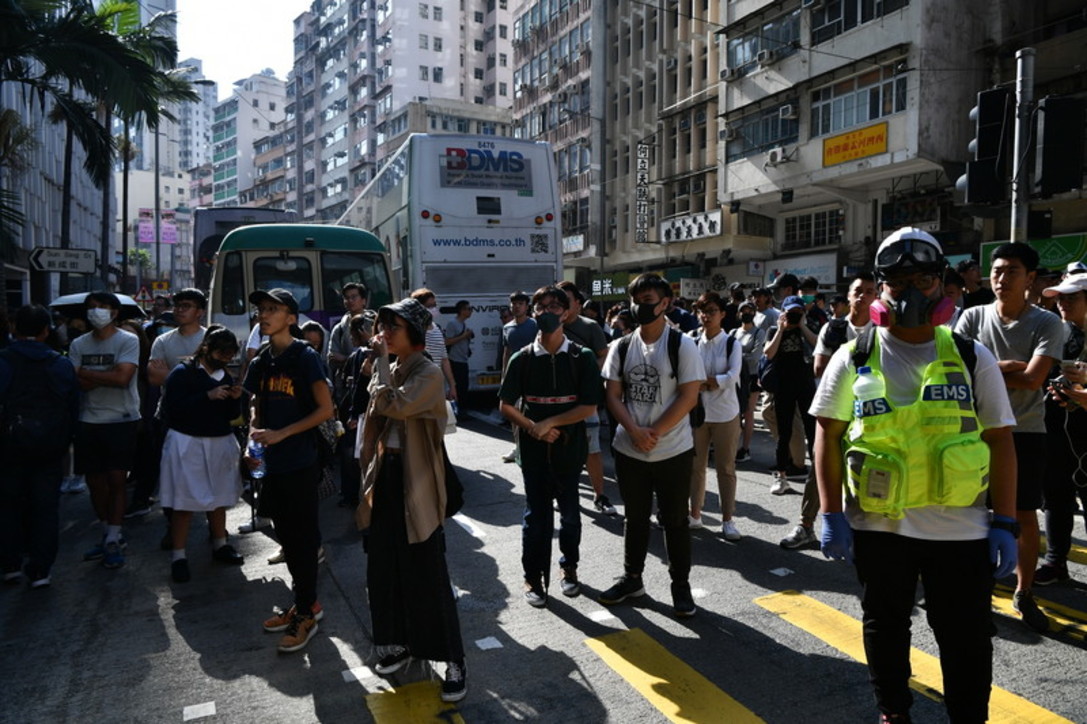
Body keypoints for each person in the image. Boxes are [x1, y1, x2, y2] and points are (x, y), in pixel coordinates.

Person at [815, 227, 1017, 724]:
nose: (911, 292)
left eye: (923, 280)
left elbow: (1001, 442)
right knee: (884, 628)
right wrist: (829, 512)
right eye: (897, 281)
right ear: (880, 287)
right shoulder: (854, 354)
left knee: (966, 636)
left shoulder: (971, 355)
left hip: (961, 529)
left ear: (942, 284)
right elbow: (828, 435)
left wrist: (1006, 522)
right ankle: (894, 714)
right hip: (881, 528)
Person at [357, 297, 467, 703]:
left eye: (394, 328)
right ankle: (398, 644)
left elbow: (394, 405)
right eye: (381, 326)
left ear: (416, 335)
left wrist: (381, 364)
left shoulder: (428, 371)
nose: (384, 334)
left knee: (428, 573)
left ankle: (454, 659)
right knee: (384, 567)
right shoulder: (397, 365)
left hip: (418, 480)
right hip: (387, 475)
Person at [955, 242, 1067, 632]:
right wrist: (1005, 367)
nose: (1001, 278)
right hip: (973, 430)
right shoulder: (971, 318)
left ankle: (1024, 590)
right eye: (997, 270)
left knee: (1022, 513)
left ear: (1031, 278)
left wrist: (984, 368)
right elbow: (956, 374)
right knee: (972, 511)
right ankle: (977, 588)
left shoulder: (1047, 323)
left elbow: (1035, 378)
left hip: (1025, 432)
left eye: (1011, 271)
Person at [599, 273, 702, 617]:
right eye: (636, 300)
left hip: (673, 449)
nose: (640, 306)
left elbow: (689, 396)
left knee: (675, 520)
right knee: (635, 518)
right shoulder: (622, 346)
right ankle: (632, 578)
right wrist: (634, 431)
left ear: (665, 304)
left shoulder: (682, 345)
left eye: (648, 300)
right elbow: (612, 394)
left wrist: (652, 432)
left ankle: (680, 585)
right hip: (629, 449)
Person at [243, 288, 334, 654]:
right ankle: (303, 604)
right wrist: (252, 435)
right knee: (285, 537)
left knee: (302, 540)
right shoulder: (262, 361)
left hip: (299, 461)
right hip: (272, 464)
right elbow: (254, 403)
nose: (263, 315)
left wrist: (281, 434)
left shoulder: (305, 357)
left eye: (273, 309)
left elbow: (325, 409)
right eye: (261, 309)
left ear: (291, 319)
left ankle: (308, 611)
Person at [498, 285, 601, 607]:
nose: (549, 312)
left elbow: (589, 406)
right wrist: (534, 428)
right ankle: (533, 577)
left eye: (556, 306)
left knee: (570, 515)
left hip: (569, 450)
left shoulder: (580, 357)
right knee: (536, 517)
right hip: (532, 449)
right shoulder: (523, 358)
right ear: (533, 312)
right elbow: (506, 404)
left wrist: (551, 423)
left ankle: (568, 569)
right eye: (541, 307)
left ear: (568, 312)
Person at [781, 274, 877, 550]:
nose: (863, 296)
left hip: (873, 414)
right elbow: (820, 368)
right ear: (848, 296)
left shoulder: (884, 330)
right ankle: (806, 525)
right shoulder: (833, 328)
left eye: (870, 291)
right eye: (858, 290)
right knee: (821, 467)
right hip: (835, 411)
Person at [0, 305, 79, 587]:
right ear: (46, 331)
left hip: (9, 445)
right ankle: (40, 569)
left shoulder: (4, 361)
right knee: (45, 507)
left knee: (8, 504)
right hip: (50, 446)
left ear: (14, 328)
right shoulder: (60, 363)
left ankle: (10, 564)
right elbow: (73, 406)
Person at [158, 326, 245, 583]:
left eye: (229, 355)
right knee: (184, 501)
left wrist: (233, 398)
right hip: (188, 442)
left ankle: (220, 543)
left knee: (218, 497)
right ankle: (179, 555)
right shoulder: (183, 373)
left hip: (218, 441)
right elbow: (173, 409)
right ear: (207, 348)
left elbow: (230, 415)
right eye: (221, 353)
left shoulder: (225, 375)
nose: (225, 359)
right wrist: (206, 396)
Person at [69, 292, 141, 569]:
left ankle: (114, 535)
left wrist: (88, 373)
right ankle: (106, 529)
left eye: (102, 307)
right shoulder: (78, 343)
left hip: (121, 419)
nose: (96, 312)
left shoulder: (127, 340)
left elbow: (123, 378)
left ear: (114, 312)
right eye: (91, 308)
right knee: (94, 482)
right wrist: (107, 375)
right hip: (88, 420)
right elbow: (77, 382)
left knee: (117, 480)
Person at [1036, 274, 1087, 585]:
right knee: (1056, 496)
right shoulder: (1057, 330)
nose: (1063, 304)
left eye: (1071, 298)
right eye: (1060, 299)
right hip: (1058, 427)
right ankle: (1056, 563)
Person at [557, 281, 617, 516]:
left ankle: (599, 495)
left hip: (584, 400)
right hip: (557, 401)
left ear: (578, 305)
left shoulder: (591, 327)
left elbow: (604, 356)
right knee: (558, 446)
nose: (561, 306)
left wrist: (588, 376)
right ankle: (560, 493)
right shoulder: (549, 326)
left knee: (592, 447)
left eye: (566, 302)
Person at [689, 292, 743, 539]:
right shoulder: (690, 341)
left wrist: (706, 382)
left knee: (726, 468)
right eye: (702, 311)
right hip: (697, 413)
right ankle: (695, 515)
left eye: (711, 311)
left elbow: (731, 377)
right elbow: (686, 376)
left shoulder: (732, 343)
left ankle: (728, 519)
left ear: (722, 314)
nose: (706, 316)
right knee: (695, 467)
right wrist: (707, 383)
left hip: (726, 414)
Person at [763, 295, 817, 495]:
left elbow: (819, 345)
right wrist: (780, 329)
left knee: (812, 430)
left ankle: (816, 475)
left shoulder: (807, 326)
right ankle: (782, 476)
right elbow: (768, 353)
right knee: (784, 433)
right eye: (791, 312)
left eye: (798, 312)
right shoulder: (774, 330)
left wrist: (802, 326)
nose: (794, 316)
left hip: (805, 384)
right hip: (784, 385)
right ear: (783, 312)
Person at [336, 314, 374, 508]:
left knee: (353, 456)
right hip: (365, 413)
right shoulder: (359, 356)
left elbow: (349, 388)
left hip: (361, 414)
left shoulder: (367, 355)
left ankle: (353, 495)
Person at [499, 291, 539, 463]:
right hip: (515, 377)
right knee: (514, 414)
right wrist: (504, 376)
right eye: (513, 304)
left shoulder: (535, 325)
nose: (516, 307)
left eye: (520, 304)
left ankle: (535, 447)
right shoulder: (507, 327)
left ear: (526, 306)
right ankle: (518, 447)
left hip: (534, 376)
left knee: (533, 413)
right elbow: (506, 352)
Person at [730, 301, 765, 464]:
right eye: (743, 311)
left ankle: (745, 448)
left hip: (751, 377)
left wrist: (737, 358)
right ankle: (733, 446)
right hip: (735, 376)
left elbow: (755, 357)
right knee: (735, 413)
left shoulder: (759, 332)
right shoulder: (733, 332)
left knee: (749, 412)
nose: (746, 313)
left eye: (750, 311)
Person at [410, 288, 459, 403]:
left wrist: (452, 385)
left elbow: (444, 359)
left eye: (434, 305)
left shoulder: (436, 328)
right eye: (429, 306)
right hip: (419, 385)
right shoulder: (415, 329)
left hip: (436, 386)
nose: (433, 309)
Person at [327, 282, 369, 376]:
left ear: (363, 301)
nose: (350, 300)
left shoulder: (375, 324)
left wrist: (345, 359)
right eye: (346, 298)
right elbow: (332, 359)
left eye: (354, 297)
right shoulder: (339, 329)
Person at [444, 300, 474, 411]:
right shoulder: (453, 323)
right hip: (455, 360)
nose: (471, 311)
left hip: (463, 359)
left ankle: (461, 410)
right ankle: (458, 411)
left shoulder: (463, 324)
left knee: (463, 387)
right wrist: (464, 336)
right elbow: (447, 341)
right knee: (459, 387)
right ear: (462, 311)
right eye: (469, 309)